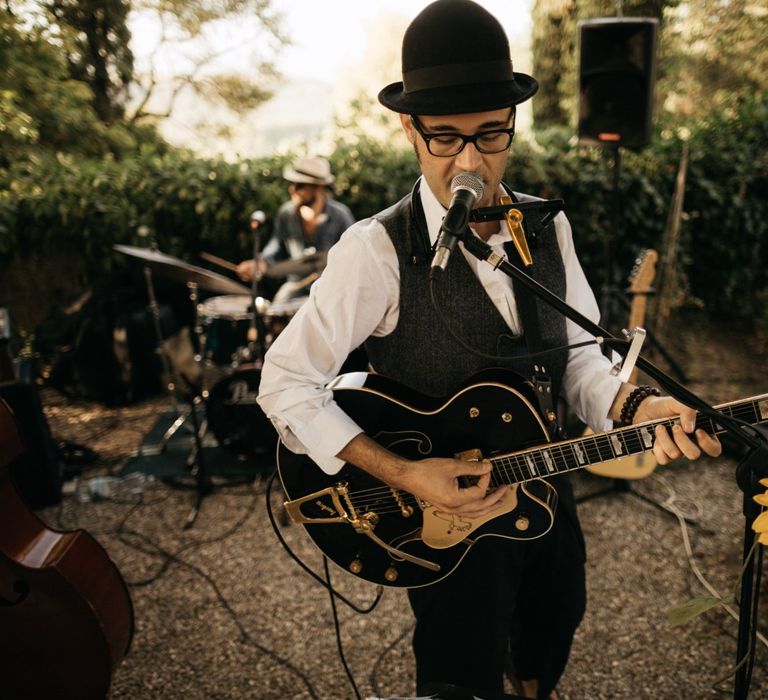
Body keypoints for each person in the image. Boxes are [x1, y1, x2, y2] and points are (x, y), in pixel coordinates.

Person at [257, 1, 722, 698]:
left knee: (552, 629)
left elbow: (579, 364)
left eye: (490, 136)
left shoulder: (546, 228)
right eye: (445, 139)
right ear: (411, 130)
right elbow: (286, 383)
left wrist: (638, 406)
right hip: (442, 520)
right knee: (460, 672)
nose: (469, 161)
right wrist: (407, 476)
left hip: (548, 483)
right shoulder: (375, 250)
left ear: (512, 127)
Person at [236, 156, 355, 286]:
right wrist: (260, 263)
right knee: (275, 305)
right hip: (296, 286)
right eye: (292, 184)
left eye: (300, 185)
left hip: (332, 287)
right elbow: (276, 248)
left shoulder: (341, 216)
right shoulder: (286, 213)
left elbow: (354, 256)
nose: (292, 189)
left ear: (319, 187)